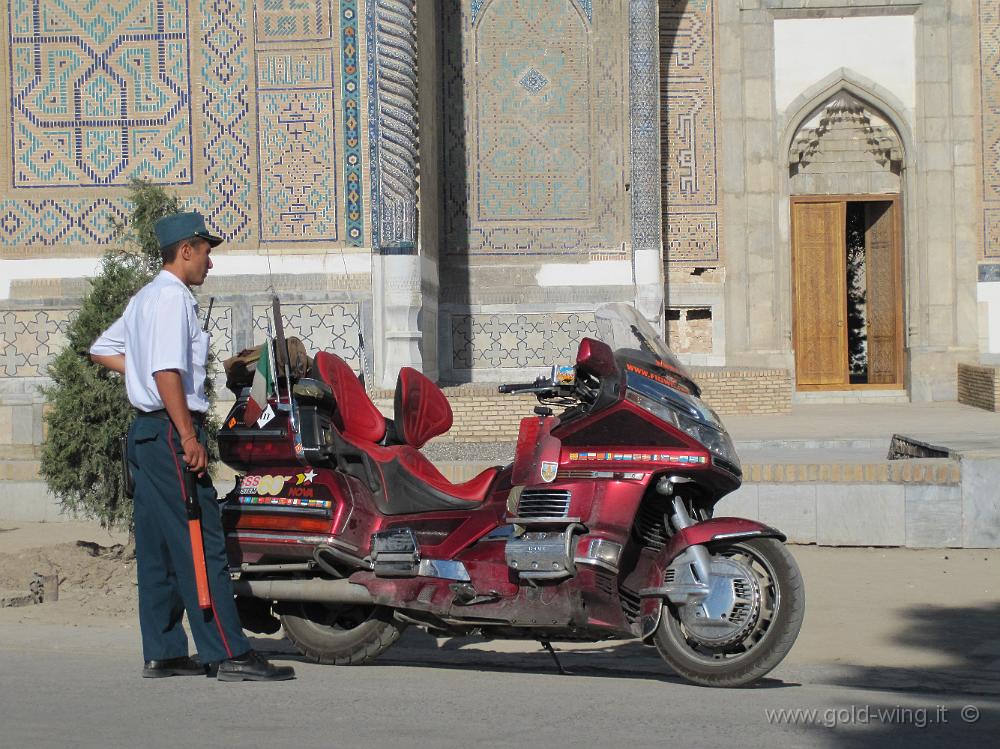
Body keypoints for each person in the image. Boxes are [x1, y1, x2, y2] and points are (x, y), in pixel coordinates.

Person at [90, 211, 294, 682]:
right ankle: (227, 652)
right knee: (202, 541)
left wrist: (141, 375)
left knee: (160, 546)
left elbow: (103, 349)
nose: (210, 263)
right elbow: (165, 370)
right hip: (168, 432)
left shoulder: (144, 299)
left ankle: (162, 650)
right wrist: (185, 433)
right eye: (206, 252)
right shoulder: (171, 298)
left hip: (146, 433)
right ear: (186, 250)